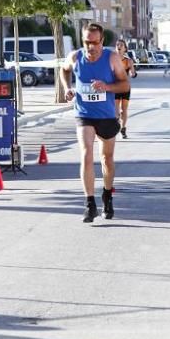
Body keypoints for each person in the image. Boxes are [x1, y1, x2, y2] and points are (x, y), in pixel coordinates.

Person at [61, 23, 130, 222]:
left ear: (102, 41)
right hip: (84, 114)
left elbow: (124, 84)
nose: (90, 47)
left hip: (107, 116)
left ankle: (107, 195)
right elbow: (64, 70)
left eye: (94, 42)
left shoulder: (112, 58)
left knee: (106, 159)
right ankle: (89, 204)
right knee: (86, 154)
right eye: (86, 42)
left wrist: (106, 86)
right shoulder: (75, 57)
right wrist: (67, 88)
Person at [114, 39, 137, 139]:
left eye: (121, 45)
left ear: (125, 48)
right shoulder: (111, 60)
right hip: (114, 87)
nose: (119, 46)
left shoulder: (128, 61)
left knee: (124, 110)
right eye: (117, 45)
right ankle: (117, 124)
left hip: (125, 87)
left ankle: (123, 128)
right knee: (116, 111)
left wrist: (133, 73)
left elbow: (133, 74)